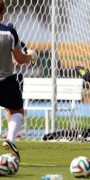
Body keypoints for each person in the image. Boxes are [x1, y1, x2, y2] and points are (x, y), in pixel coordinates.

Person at [0, 0, 38, 161]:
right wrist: (32, 56)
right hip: (5, 81)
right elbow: (20, 59)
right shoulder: (9, 32)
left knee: (12, 110)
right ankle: (10, 139)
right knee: (17, 111)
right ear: (3, 13)